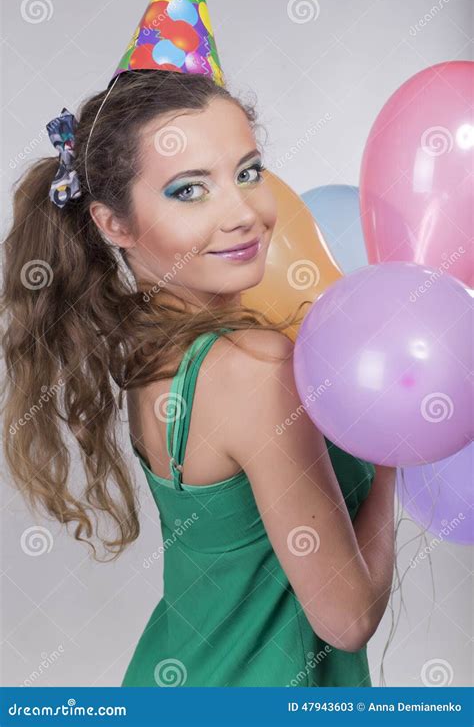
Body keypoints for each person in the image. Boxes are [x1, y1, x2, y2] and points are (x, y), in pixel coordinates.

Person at [1, 67, 397, 687]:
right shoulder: (253, 367)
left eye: (247, 173)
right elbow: (346, 621)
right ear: (114, 225)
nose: (243, 213)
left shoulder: (149, 340)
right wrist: (394, 457)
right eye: (189, 191)